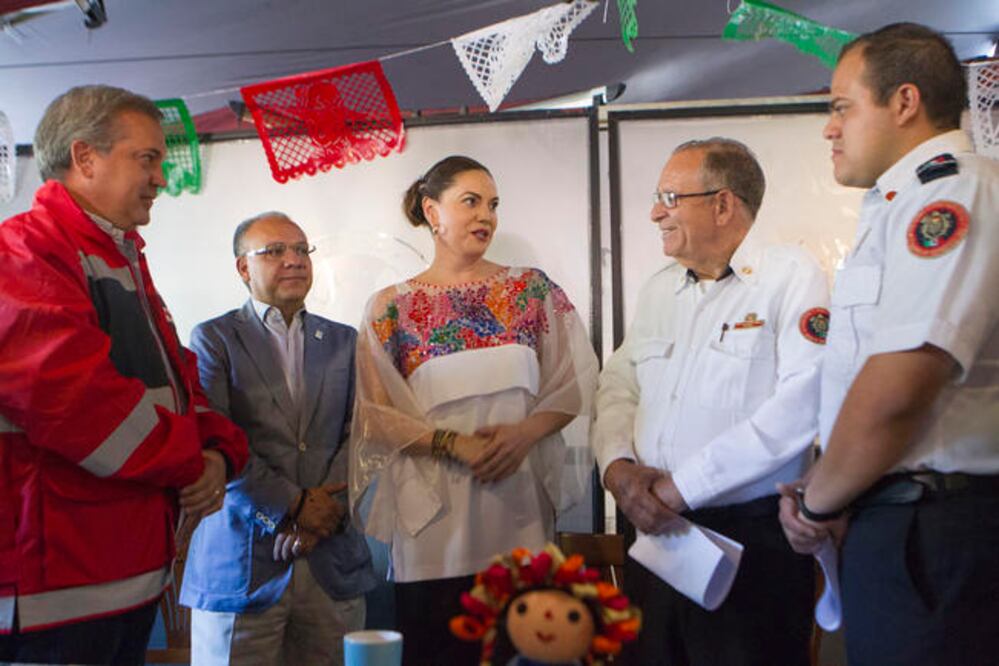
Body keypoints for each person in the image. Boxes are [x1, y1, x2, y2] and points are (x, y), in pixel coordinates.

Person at [0, 85, 248, 665]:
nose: (162, 177)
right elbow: (74, 401)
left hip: (113, 572)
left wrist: (220, 452)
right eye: (148, 158)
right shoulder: (24, 252)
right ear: (86, 158)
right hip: (58, 588)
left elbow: (181, 382)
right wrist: (198, 459)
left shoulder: (119, 256)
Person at [779, 23, 999, 666]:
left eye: (841, 106)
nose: (829, 127)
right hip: (897, 517)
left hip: (938, 527)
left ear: (904, 102)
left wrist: (820, 500)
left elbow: (899, 387)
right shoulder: (901, 205)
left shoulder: (952, 192)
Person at [349, 155, 599, 666]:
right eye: (471, 202)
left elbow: (575, 381)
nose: (486, 215)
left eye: (493, 205)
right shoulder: (390, 308)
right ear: (431, 211)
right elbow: (375, 413)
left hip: (519, 509)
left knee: (524, 649)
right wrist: (451, 443)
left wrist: (527, 431)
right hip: (432, 519)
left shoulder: (530, 290)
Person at [592, 138, 829, 665]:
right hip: (656, 534)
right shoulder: (658, 290)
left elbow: (802, 402)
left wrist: (681, 488)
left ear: (723, 204)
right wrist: (618, 470)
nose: (655, 211)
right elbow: (618, 386)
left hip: (751, 543)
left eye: (670, 197)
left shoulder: (789, 277)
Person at [181, 212, 377, 665]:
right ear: (243, 268)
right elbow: (217, 438)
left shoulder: (346, 340)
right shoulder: (215, 339)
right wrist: (292, 507)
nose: (294, 260)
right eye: (274, 251)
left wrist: (320, 516)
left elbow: (362, 434)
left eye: (301, 250)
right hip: (242, 559)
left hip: (331, 554)